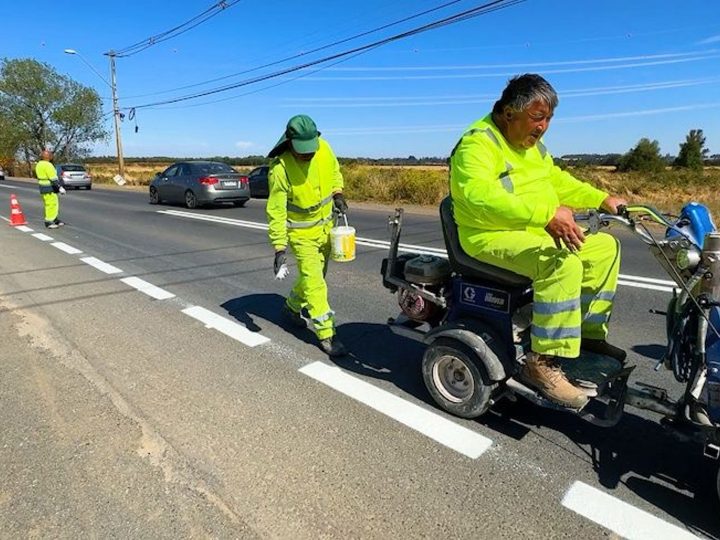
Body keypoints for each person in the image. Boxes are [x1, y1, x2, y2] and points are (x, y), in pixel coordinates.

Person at [449, 74, 627, 409]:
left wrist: (602, 198)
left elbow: (557, 181)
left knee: (605, 248)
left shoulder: (533, 148)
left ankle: (589, 337)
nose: (543, 127)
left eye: (548, 119)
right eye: (537, 117)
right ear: (508, 113)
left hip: (528, 231)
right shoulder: (477, 144)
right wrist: (546, 215)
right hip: (487, 235)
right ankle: (541, 362)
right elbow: (478, 198)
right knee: (561, 264)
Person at [266, 114, 348, 357]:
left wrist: (338, 193)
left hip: (326, 229)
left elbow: (334, 172)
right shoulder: (280, 169)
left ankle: (291, 308)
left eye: (310, 149)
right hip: (301, 234)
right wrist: (280, 247)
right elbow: (276, 211)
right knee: (315, 282)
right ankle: (327, 334)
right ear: (289, 143)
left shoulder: (324, 148)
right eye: (302, 151)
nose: (308, 154)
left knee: (316, 275)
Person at [35, 149, 66, 229]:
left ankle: (55, 219)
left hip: (43, 187)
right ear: (49, 157)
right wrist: (60, 187)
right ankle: (49, 221)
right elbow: (53, 178)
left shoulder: (39, 164)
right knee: (52, 204)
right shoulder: (48, 165)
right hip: (49, 187)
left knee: (48, 203)